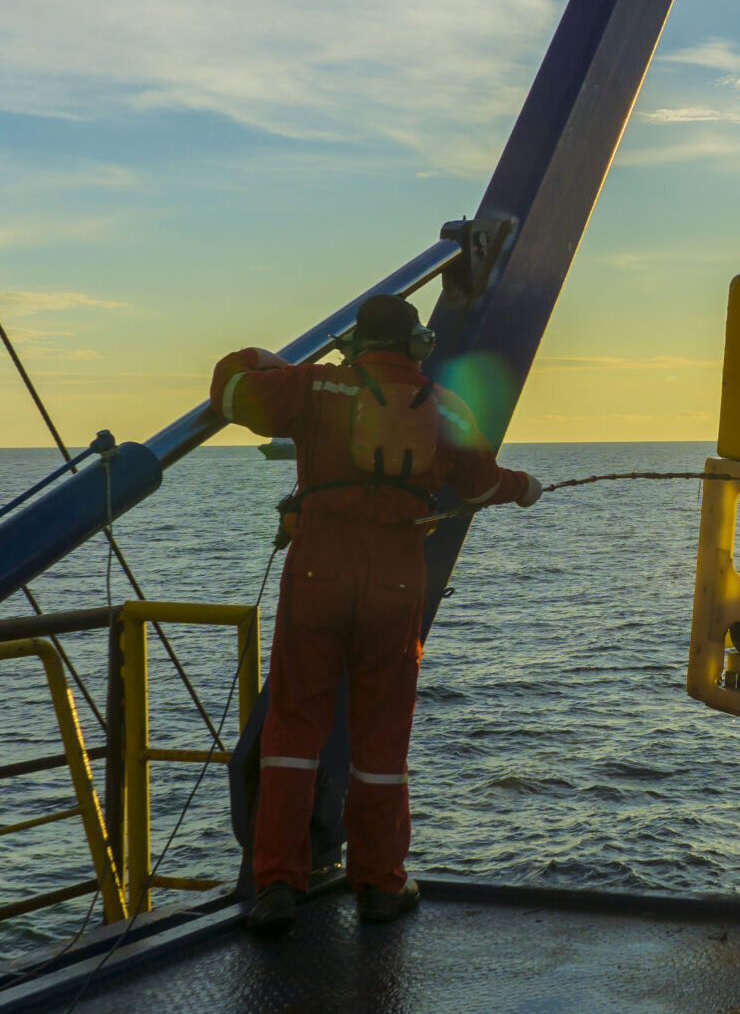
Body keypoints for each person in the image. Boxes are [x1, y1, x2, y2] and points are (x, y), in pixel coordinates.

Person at [211, 293, 541, 936]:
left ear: (355, 344)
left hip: (317, 576)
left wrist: (260, 358)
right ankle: (380, 884)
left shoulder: (314, 386)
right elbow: (478, 486)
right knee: (382, 740)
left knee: (292, 732)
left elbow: (230, 394)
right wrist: (524, 488)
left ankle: (277, 884)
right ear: (419, 344)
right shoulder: (446, 406)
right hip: (395, 583)